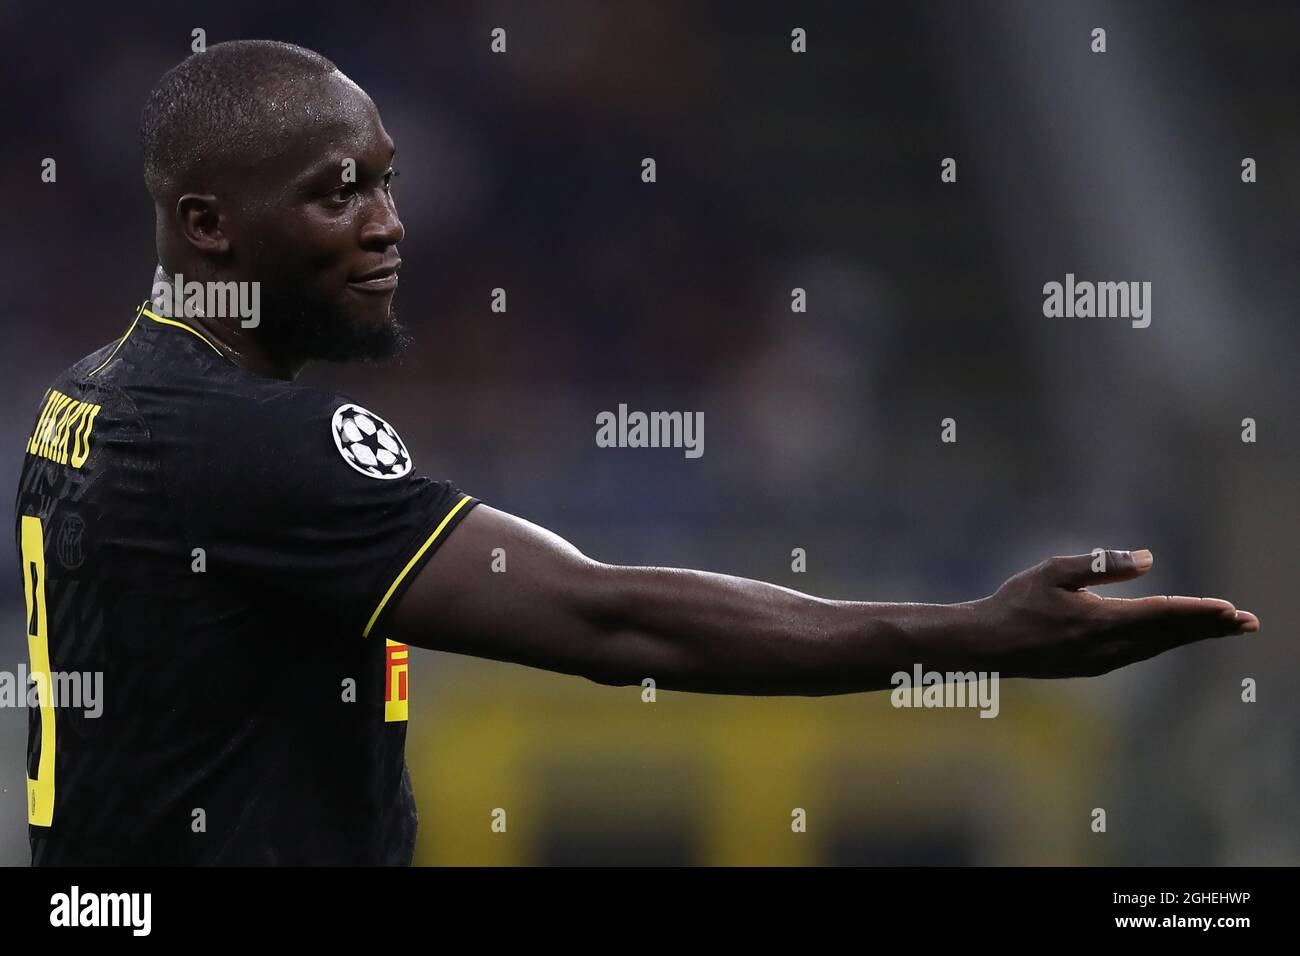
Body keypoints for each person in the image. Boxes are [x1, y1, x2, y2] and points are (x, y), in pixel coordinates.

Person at [14, 40, 1258, 865]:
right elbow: (611, 624)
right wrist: (964, 635)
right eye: (338, 193)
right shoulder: (251, 439)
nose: (389, 227)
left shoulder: (93, 393)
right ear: (208, 225)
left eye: (387, 184)